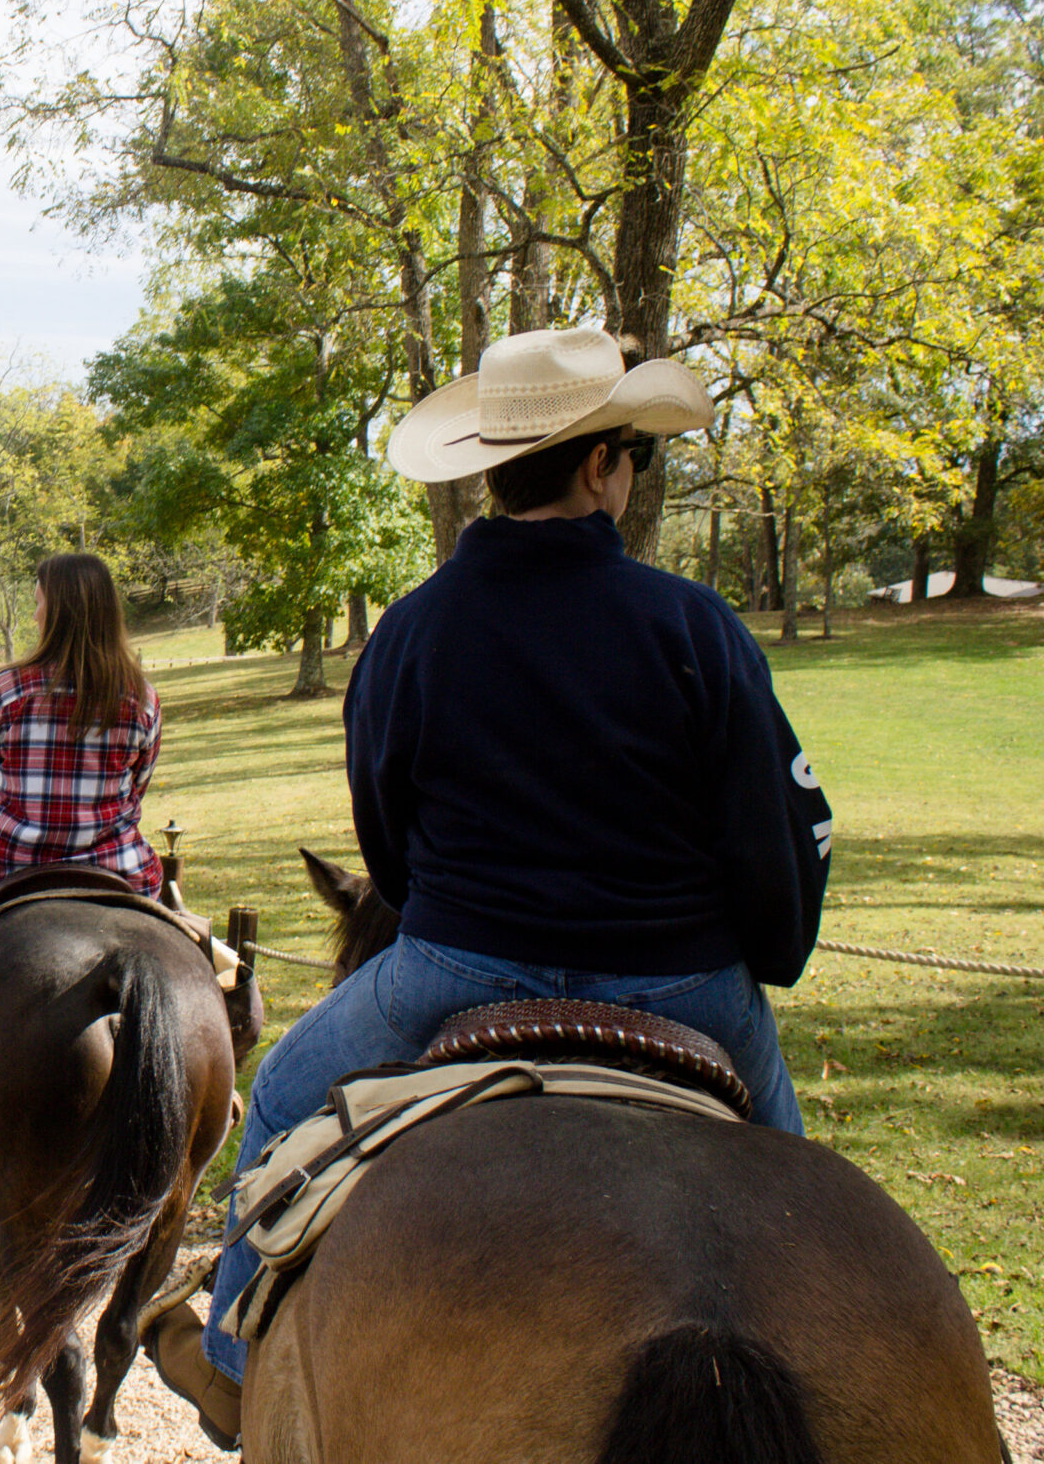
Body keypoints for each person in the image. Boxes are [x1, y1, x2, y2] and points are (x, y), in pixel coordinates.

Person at [149, 325, 835, 1444]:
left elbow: (389, 838)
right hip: (684, 990)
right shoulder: (695, 628)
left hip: (455, 973)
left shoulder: (412, 632)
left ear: (491, 465)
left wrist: (457, 914)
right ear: (602, 465)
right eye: (633, 459)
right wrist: (767, 952)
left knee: (276, 1103)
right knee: (801, 1193)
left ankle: (229, 1363)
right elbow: (775, 832)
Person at [0, 553, 164, 954]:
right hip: (115, 870)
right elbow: (137, 790)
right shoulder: (142, 699)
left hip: (4, 870)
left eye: (37, 603)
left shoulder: (6, 688)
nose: (34, 616)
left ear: (59, 612)